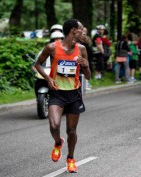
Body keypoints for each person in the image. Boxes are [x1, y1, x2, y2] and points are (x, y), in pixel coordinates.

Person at [34, 19, 91, 173]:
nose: (83, 31)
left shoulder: (82, 49)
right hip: (57, 92)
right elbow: (37, 64)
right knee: (54, 125)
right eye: (81, 29)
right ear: (73, 30)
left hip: (74, 94)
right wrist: (48, 79)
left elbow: (89, 76)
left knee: (71, 131)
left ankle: (71, 158)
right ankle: (58, 143)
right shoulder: (52, 47)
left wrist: (85, 65)